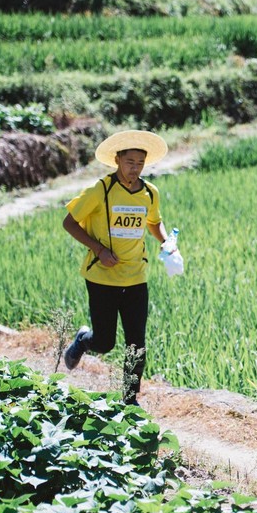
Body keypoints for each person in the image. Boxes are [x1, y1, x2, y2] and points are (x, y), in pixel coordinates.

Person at [61, 130, 171, 407]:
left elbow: (154, 223)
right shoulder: (102, 189)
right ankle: (83, 341)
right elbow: (70, 223)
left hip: (136, 277)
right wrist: (98, 249)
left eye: (140, 163)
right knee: (105, 343)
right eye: (130, 161)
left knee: (137, 343)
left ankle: (129, 400)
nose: (135, 168)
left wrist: (167, 243)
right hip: (101, 277)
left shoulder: (149, 192)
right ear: (117, 160)